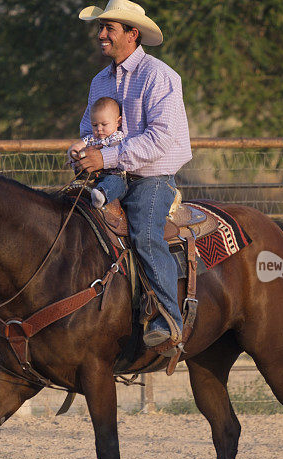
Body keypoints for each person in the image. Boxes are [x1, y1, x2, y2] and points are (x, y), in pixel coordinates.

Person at [72, 0, 192, 357]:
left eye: (109, 28)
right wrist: (79, 152)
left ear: (132, 34)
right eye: (101, 27)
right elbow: (86, 128)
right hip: (111, 175)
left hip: (152, 178)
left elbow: (160, 138)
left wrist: (104, 156)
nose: (101, 34)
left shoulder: (160, 76)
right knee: (69, 220)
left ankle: (169, 320)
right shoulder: (100, 81)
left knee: (145, 232)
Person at [67, 96, 126, 208]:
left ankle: (101, 196)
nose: (99, 129)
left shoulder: (117, 137)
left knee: (116, 183)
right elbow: (76, 146)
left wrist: (101, 153)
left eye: (104, 124)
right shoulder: (91, 138)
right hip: (93, 176)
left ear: (118, 122)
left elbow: (116, 150)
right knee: (77, 181)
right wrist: (74, 155)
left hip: (113, 175)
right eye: (95, 125)